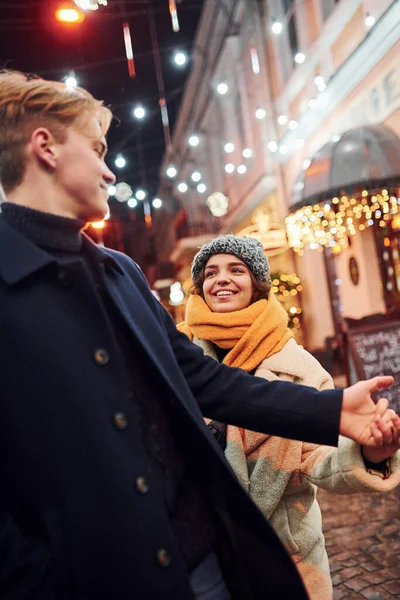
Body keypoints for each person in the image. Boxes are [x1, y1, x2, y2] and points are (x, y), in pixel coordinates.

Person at [0, 70, 397, 600]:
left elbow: (205, 381)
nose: (110, 172)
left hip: (209, 567)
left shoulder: (120, 275)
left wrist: (331, 411)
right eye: (96, 149)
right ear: (44, 147)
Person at [178, 234, 400, 600]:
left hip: (287, 558)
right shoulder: (179, 356)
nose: (222, 279)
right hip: (206, 554)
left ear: (258, 285)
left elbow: (319, 457)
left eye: (237, 270)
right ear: (200, 287)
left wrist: (370, 454)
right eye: (211, 272)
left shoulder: (296, 367)